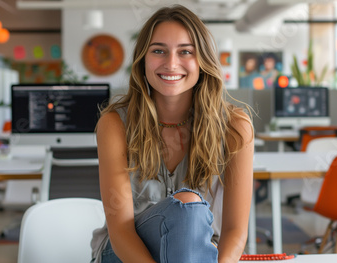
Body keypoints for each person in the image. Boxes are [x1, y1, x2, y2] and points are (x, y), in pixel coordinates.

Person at [91, 5, 254, 263]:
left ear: (203, 61)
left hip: (198, 254)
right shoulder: (115, 124)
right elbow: (121, 230)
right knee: (187, 206)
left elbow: (235, 231)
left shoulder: (234, 126)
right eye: (158, 51)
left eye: (185, 51)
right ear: (143, 59)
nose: (171, 63)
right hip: (124, 254)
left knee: (189, 218)